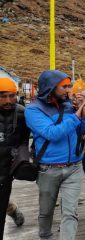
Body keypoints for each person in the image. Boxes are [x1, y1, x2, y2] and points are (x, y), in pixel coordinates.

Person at [25, 70, 85, 240]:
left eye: (69, 86)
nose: (69, 90)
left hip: (74, 167)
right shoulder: (33, 110)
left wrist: (81, 113)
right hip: (48, 169)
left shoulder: (69, 105)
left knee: (70, 213)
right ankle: (45, 236)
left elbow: (80, 131)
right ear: (51, 87)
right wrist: (78, 115)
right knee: (46, 211)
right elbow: (52, 133)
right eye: (65, 86)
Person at [0, 77, 29, 239]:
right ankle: (12, 209)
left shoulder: (23, 114)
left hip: (5, 171)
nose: (8, 100)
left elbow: (25, 139)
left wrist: (19, 154)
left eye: (11, 96)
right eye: (3, 96)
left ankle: (10, 209)